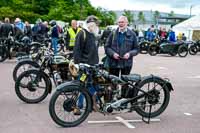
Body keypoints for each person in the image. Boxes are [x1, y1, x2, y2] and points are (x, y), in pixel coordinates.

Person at [73, 15, 100, 115]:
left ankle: (91, 104)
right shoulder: (82, 33)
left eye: (95, 25)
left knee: (94, 86)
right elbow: (77, 50)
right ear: (89, 24)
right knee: (81, 86)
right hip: (84, 66)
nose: (95, 27)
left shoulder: (93, 34)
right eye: (93, 24)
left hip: (93, 66)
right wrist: (78, 64)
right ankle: (78, 106)